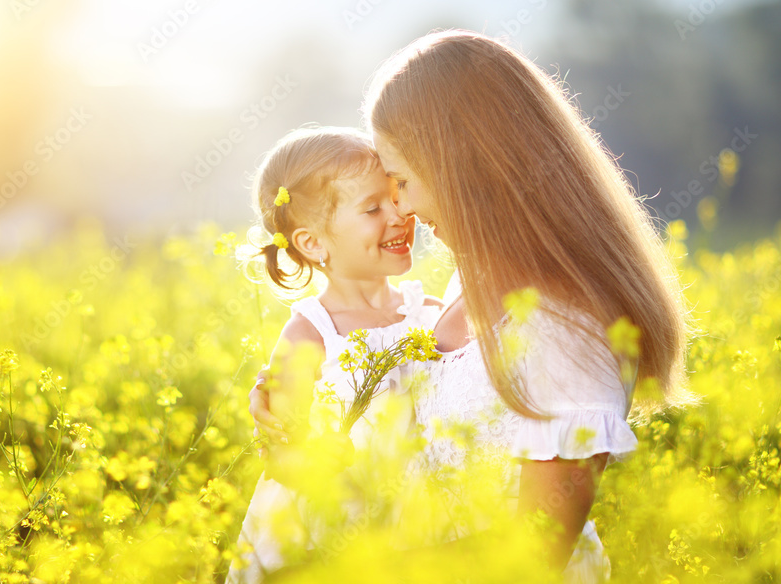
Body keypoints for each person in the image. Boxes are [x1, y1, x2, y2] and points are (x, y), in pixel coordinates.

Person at [250, 30, 690, 582]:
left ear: (462, 166)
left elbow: (533, 555)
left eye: (403, 182)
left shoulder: (568, 329)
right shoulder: (472, 276)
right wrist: (299, 417)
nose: (402, 209)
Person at [226, 126, 443, 584]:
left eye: (396, 195)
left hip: (421, 528)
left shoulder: (434, 314)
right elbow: (280, 452)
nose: (400, 214)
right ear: (312, 243)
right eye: (372, 208)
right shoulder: (309, 335)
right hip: (329, 538)